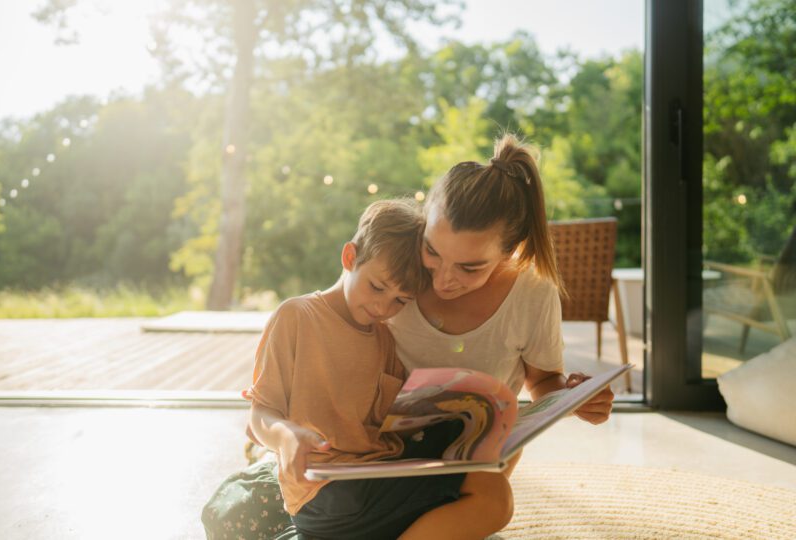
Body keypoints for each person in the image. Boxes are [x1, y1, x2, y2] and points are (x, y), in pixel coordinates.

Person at [202, 134, 614, 538]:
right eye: (432, 251)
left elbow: (543, 380)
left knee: (492, 500)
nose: (443, 280)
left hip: (458, 466)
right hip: (369, 465)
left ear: (509, 252)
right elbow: (328, 328)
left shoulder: (530, 293)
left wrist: (571, 398)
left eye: (469, 267)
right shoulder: (393, 281)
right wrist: (283, 434)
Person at [239, 199, 513, 540]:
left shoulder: (384, 337)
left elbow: (391, 424)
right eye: (377, 287)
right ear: (350, 257)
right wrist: (286, 437)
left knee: (491, 486)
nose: (383, 306)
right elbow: (261, 413)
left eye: (400, 300)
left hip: (377, 472)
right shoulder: (296, 317)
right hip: (325, 491)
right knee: (493, 500)